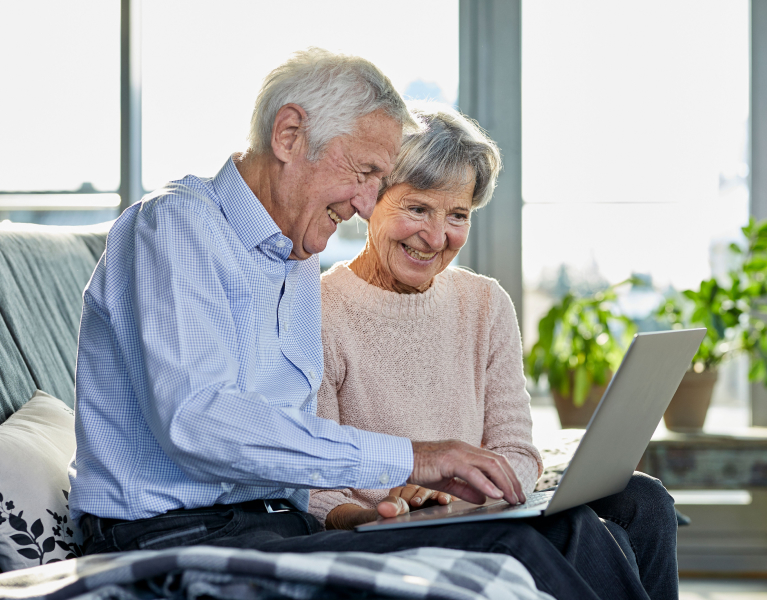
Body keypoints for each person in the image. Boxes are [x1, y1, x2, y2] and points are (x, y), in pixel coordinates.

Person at [68, 48, 651, 600]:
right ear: (290, 135)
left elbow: (290, 445)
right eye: (367, 172)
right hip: (174, 537)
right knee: (514, 543)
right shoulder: (174, 228)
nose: (371, 204)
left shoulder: (292, 259)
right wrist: (414, 457)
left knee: (592, 522)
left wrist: (374, 514)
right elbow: (199, 423)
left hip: (276, 525)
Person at [310, 102, 679, 600]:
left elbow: (516, 449)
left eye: (457, 215)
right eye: (417, 208)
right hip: (391, 526)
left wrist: (477, 493)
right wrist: (375, 511)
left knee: (646, 499)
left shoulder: (484, 302)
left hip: (481, 508)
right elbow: (311, 484)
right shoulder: (319, 310)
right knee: (597, 539)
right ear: (373, 198)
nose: (437, 237)